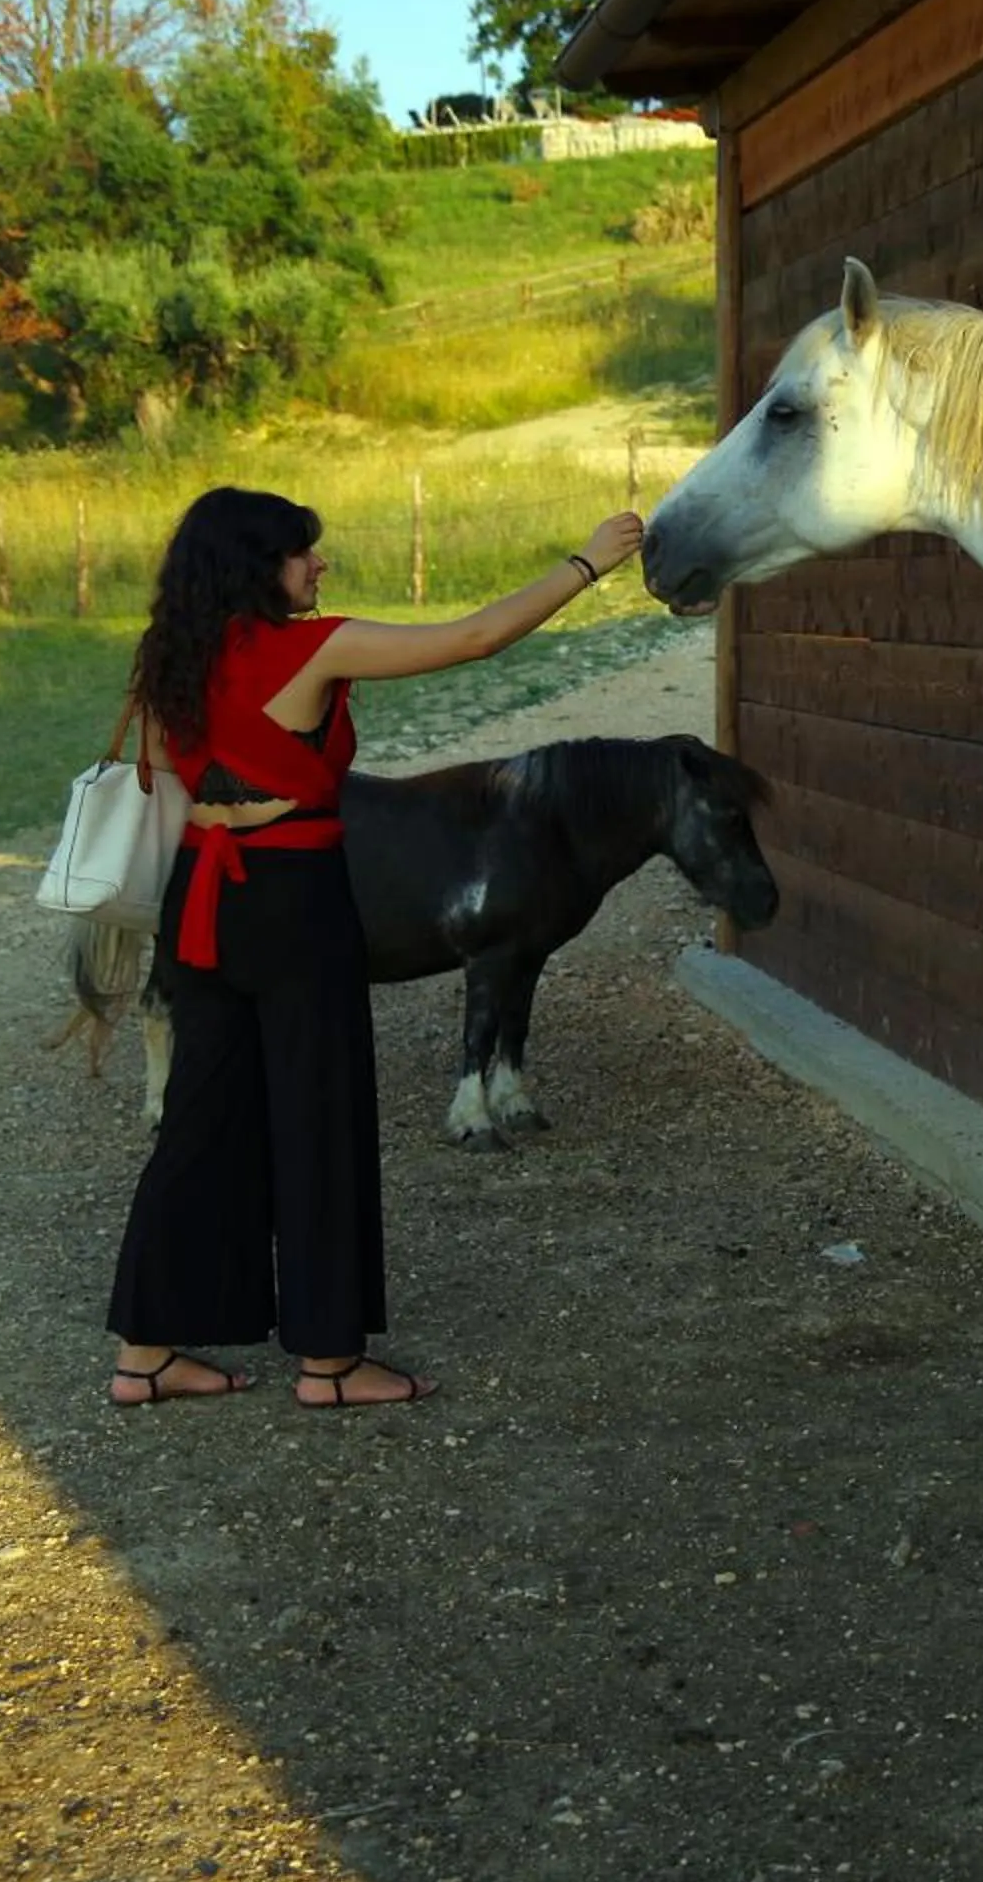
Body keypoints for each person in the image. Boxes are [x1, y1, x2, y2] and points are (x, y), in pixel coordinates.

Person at [105, 487, 644, 1409]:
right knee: (320, 1120)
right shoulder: (313, 647)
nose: (318, 565)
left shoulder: (170, 657)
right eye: (302, 552)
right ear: (257, 566)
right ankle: (329, 1363)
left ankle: (144, 1353)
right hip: (293, 896)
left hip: (202, 897)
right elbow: (475, 637)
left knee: (197, 1124)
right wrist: (588, 563)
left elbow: (158, 768)